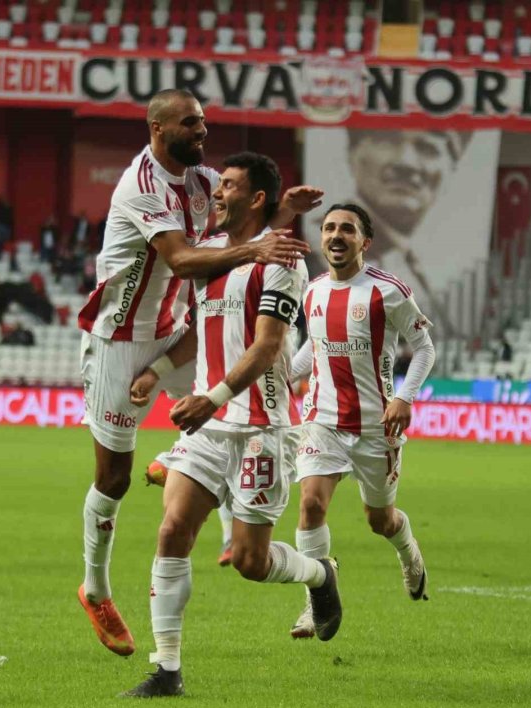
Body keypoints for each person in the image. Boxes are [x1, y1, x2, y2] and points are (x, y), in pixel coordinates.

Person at [76, 89, 322, 658]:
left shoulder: (201, 178)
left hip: (174, 329)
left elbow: (241, 218)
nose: (203, 131)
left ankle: (209, 492)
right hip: (118, 338)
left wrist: (282, 212)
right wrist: (257, 248)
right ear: (158, 129)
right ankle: (95, 589)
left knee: (229, 399)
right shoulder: (141, 186)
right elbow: (184, 260)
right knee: (113, 480)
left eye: (206, 122)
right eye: (192, 123)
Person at [120, 152, 340, 698]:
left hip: (262, 427)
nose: (216, 194)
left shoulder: (284, 260)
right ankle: (166, 670)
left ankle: (319, 574)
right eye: (218, 185)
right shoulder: (212, 255)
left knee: (249, 561)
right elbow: (202, 333)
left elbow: (268, 348)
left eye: (230, 187)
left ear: (257, 198)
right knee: (172, 532)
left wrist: (211, 397)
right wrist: (159, 369)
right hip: (209, 426)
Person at [287, 203, 436, 640]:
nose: (336, 235)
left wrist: (405, 397)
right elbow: (310, 350)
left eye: (346, 229)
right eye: (329, 227)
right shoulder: (312, 291)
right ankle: (316, 601)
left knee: (380, 519)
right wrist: (277, 374)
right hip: (322, 420)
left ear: (364, 242)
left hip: (376, 427)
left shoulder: (388, 291)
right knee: (311, 503)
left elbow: (425, 348)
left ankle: (409, 554)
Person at [309, 129, 471, 334]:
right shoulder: (317, 246)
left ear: (451, 170)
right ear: (352, 155)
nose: (406, 162)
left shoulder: (420, 264)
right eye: (386, 141)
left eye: (428, 148)